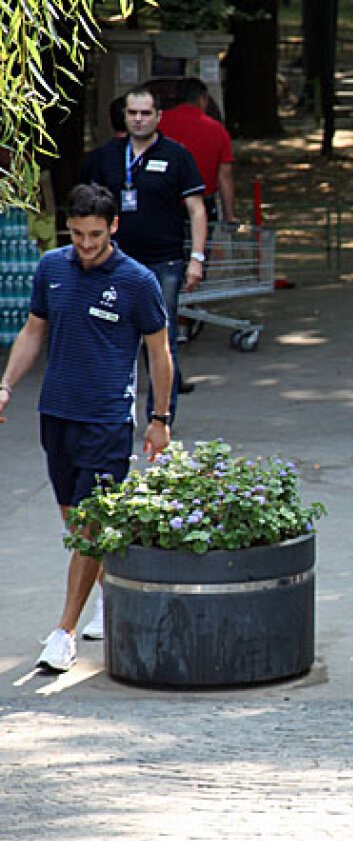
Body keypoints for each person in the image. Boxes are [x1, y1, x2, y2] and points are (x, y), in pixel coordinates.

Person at [0, 183, 173, 672]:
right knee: (76, 525)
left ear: (113, 226)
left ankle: (64, 633)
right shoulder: (52, 267)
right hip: (57, 414)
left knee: (91, 526)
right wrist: (6, 384)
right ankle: (112, 597)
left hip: (107, 421)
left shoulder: (138, 282)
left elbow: (159, 353)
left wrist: (160, 419)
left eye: (95, 234)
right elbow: (34, 330)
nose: (86, 244)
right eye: (77, 234)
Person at [80, 85, 206, 420]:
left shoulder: (176, 156)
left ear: (158, 116)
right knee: (108, 334)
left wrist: (197, 258)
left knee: (161, 339)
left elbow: (196, 209)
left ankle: (161, 417)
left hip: (164, 261)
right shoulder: (105, 157)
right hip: (114, 262)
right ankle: (110, 415)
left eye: (146, 113)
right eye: (133, 113)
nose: (139, 119)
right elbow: (88, 210)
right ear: (124, 116)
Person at [158, 78, 237, 225]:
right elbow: (224, 176)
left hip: (163, 203)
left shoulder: (158, 124)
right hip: (203, 204)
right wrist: (229, 215)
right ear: (202, 100)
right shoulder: (217, 130)